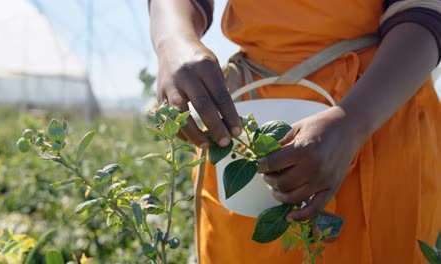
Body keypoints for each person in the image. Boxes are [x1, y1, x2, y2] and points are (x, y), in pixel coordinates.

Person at [148, 0, 441, 263]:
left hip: (378, 105)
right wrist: (173, 42)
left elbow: (424, 12)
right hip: (250, 106)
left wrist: (352, 122)